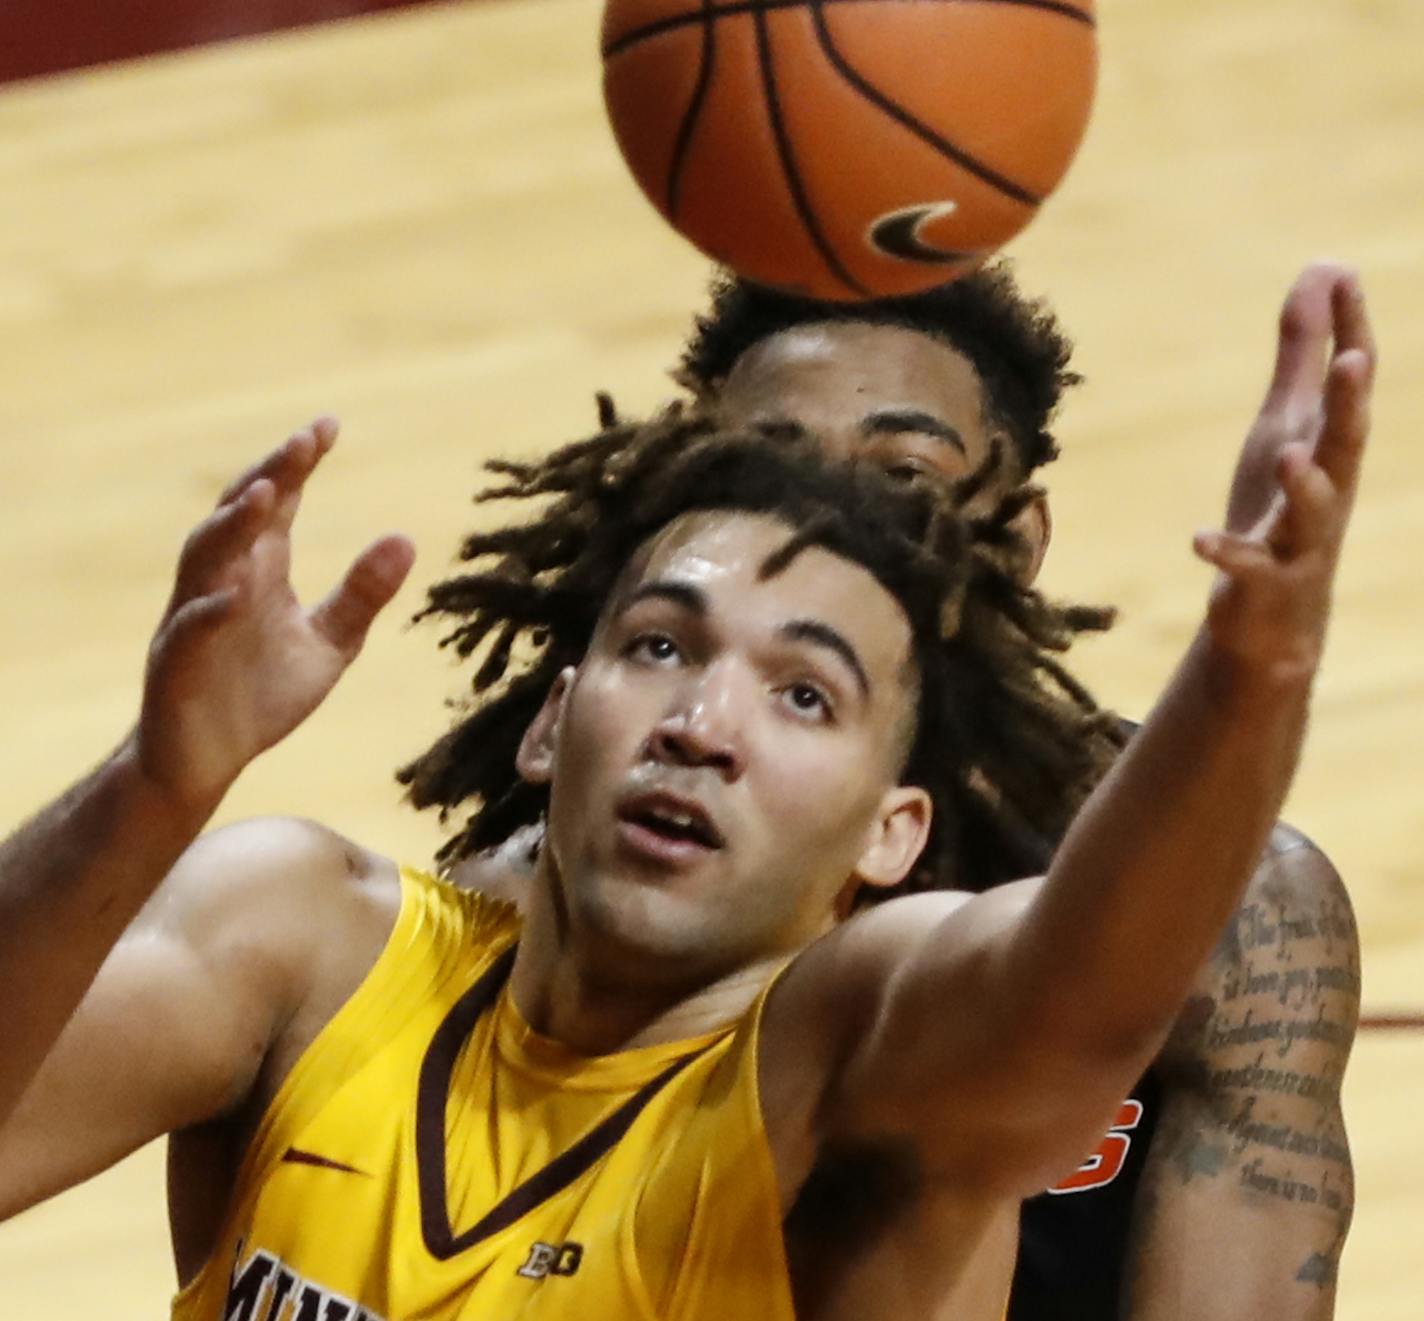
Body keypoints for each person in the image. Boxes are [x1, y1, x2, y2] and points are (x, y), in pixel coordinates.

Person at [0, 268, 1370, 1321]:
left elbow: (1074, 1000)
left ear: (893, 832)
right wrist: (150, 787)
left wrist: (1248, 674)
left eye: (805, 693)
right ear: (552, 713)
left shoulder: (849, 1063)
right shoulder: (313, 940)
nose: (706, 723)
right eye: (663, 645)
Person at [449, 262, 1367, 1319]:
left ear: (1019, 539)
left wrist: (1252, 674)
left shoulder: (1239, 909)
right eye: (764, 473)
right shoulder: (565, 889)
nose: (830, 526)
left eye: (900, 476)